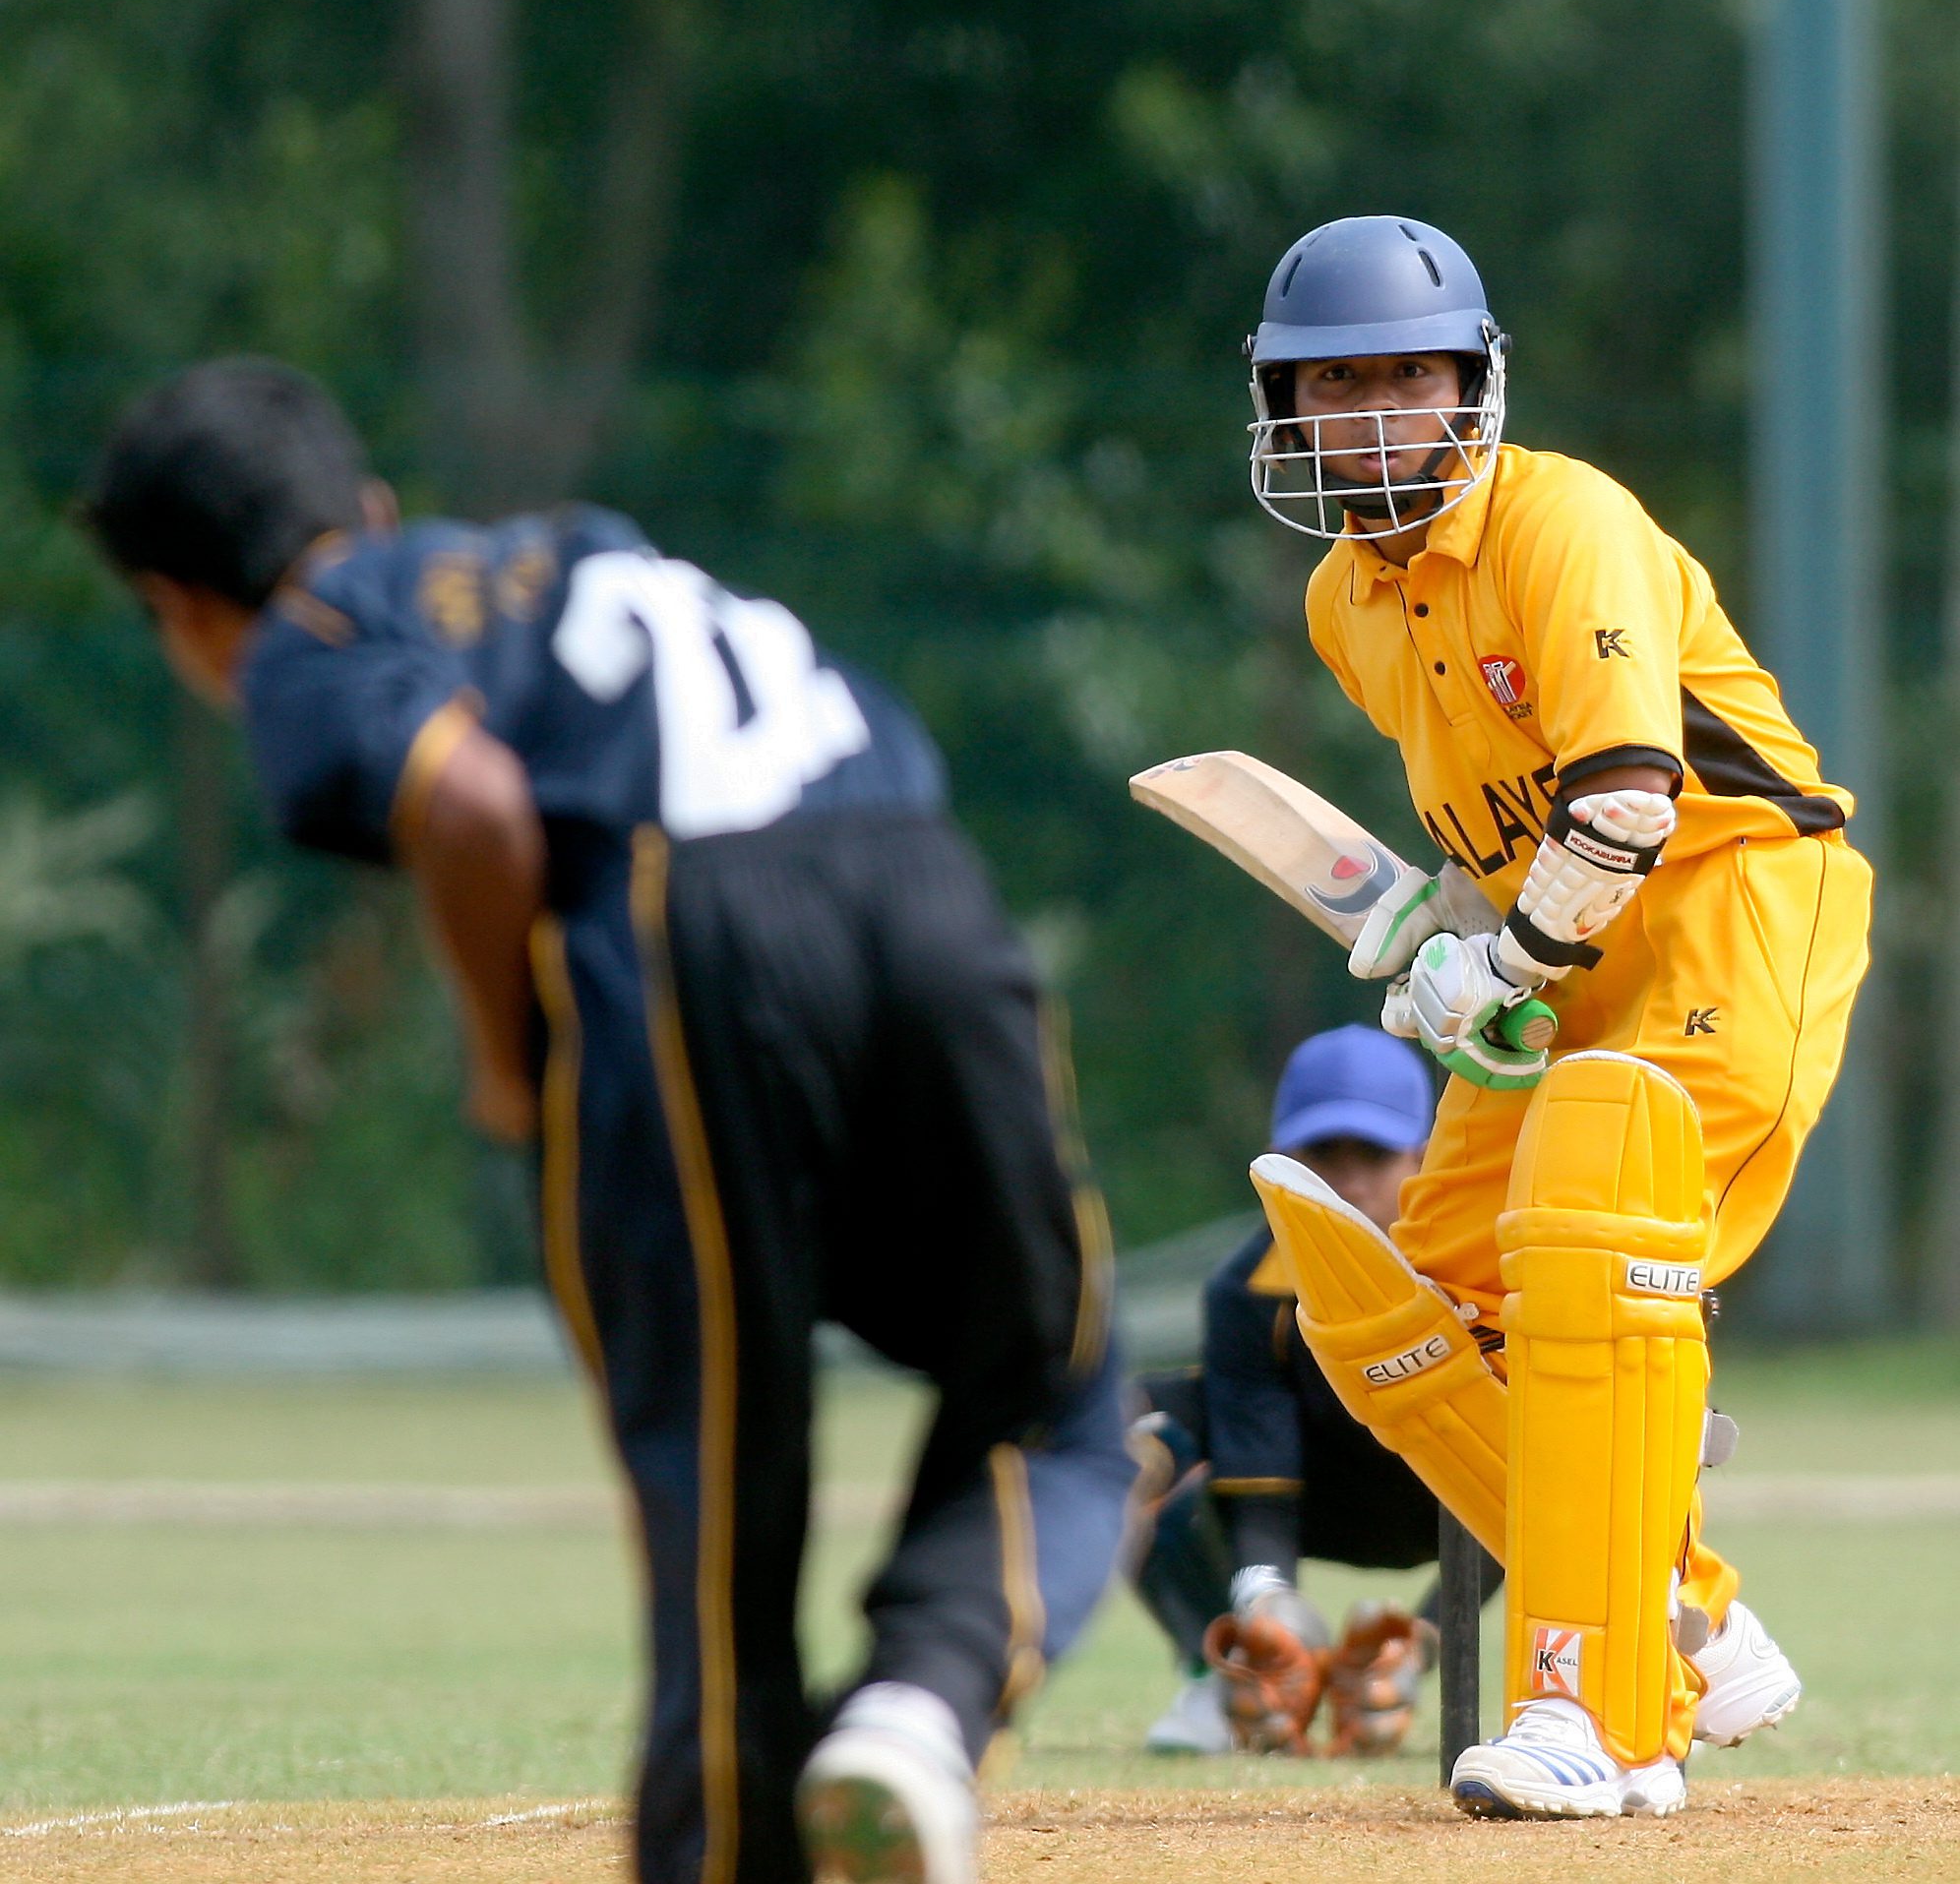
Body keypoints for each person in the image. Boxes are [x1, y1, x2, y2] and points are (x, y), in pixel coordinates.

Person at [83, 358, 1135, 1884]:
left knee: (722, 1509)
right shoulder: (585, 547)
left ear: (180, 604)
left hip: (684, 923)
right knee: (1061, 1383)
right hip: (925, 882)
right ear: (369, 501)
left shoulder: (310, 634)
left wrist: (507, 1054)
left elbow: (475, 810)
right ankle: (922, 1704)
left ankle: (725, 1841)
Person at [1236, 215, 1870, 1818]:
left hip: (1735, 901)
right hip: (1562, 944)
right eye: (1333, 383)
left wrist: (1501, 960)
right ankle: (1688, 1615)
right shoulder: (1343, 605)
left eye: (1405, 375)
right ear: (1280, 407)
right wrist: (1451, 933)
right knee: (1399, 1300)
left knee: (1597, 1244)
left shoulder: (1562, 521)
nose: (1370, 412)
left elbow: (1627, 797)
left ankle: (1598, 1716)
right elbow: (1493, 837)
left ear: (1471, 387)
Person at [1130, 1024, 1499, 1759]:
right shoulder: (1245, 1290)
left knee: (1577, 1434)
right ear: (1280, 1164)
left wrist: (1416, 1648)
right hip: (1314, 1501)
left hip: (1468, 1500)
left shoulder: (1482, 1266)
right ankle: (1228, 1675)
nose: (1347, 1181)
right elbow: (1259, 1481)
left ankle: (1595, 1689)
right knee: (1130, 1430)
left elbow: (1517, 1467)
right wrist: (1269, 1612)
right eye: (1321, 1156)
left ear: (1421, 1159)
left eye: (1372, 1154)